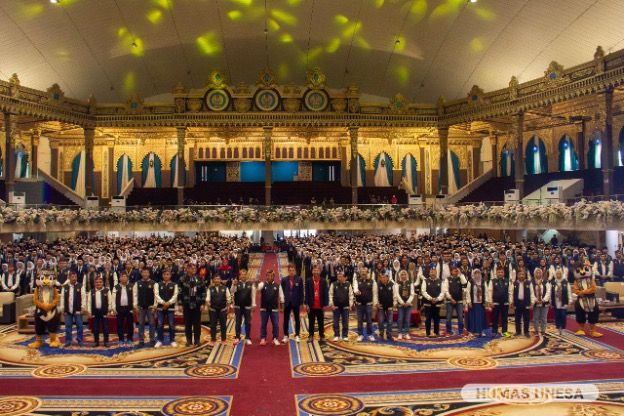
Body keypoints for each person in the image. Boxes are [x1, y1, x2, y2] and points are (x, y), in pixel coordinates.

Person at [179, 263, 207, 346]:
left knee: (197, 323)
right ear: (187, 269)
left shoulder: (200, 278)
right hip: (186, 303)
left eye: (194, 268)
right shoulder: (182, 279)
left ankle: (197, 340)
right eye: (191, 268)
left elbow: (203, 291)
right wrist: (180, 304)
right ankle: (189, 340)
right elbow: (180, 292)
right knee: (187, 323)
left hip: (197, 303)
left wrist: (202, 303)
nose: (193, 269)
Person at [573, 260, 603, 337]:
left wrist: (583, 291)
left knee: (593, 314)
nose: (582, 272)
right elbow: (576, 291)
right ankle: (581, 329)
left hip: (591, 299)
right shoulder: (576, 281)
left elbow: (593, 289)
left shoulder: (591, 280)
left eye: (585, 269)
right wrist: (582, 292)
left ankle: (593, 331)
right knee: (580, 314)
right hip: (581, 299)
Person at [60, 270, 85, 347]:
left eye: (75, 277)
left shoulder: (80, 286)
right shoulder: (65, 287)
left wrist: (83, 307)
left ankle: (80, 340)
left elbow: (83, 297)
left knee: (80, 326)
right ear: (69, 277)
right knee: (68, 326)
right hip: (68, 309)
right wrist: (62, 308)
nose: (74, 278)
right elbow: (62, 298)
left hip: (78, 309)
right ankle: (68, 341)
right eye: (72, 277)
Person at [231, 268, 256, 345]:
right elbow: (232, 291)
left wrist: (253, 304)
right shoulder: (236, 283)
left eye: (245, 274)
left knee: (248, 322)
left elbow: (253, 295)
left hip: (247, 306)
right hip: (238, 307)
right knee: (238, 322)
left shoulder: (251, 284)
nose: (243, 276)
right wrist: (234, 285)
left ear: (247, 275)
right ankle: (237, 337)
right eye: (242, 275)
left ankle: (248, 337)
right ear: (240, 276)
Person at [259, 270, 284, 346]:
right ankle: (263, 338)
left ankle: (275, 338)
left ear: (274, 277)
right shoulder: (262, 285)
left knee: (276, 324)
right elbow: (256, 288)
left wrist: (282, 307)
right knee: (263, 324)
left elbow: (281, 297)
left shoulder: (278, 286)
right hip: (264, 308)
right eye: (268, 276)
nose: (269, 277)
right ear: (266, 276)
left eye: (271, 276)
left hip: (274, 309)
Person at [154, 269, 178, 348]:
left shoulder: (174, 285)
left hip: (170, 307)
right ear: (162, 275)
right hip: (160, 307)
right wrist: (163, 302)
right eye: (164, 274)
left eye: (168, 274)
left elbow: (175, 295)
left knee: (171, 324)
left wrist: (168, 303)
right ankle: (159, 340)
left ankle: (172, 340)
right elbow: (156, 295)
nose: (166, 276)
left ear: (170, 275)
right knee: (160, 324)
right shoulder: (158, 284)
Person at [305, 264, 329, 342]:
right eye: (314, 270)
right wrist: (307, 304)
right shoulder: (308, 281)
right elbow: (306, 293)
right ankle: (310, 335)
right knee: (311, 321)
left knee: (321, 322)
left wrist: (325, 305)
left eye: (317, 270)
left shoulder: (323, 281)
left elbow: (326, 293)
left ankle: (322, 336)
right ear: (312, 271)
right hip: (311, 305)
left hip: (320, 305)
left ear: (320, 271)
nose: (316, 272)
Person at [353, 266, 377, 342]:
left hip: (369, 304)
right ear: (360, 273)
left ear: (367, 273)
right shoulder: (356, 280)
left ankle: (370, 334)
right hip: (359, 304)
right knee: (359, 320)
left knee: (369, 320)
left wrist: (375, 304)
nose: (363, 273)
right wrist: (356, 291)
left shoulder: (372, 281)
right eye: (362, 272)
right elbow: (355, 288)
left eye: (365, 272)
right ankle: (360, 334)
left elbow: (375, 294)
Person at [133, 267, 156, 347]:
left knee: (152, 324)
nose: (145, 274)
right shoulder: (137, 283)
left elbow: (155, 296)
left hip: (150, 307)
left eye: (147, 272)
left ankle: (152, 340)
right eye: (144, 272)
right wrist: (135, 305)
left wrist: (154, 306)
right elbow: (135, 295)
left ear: (149, 274)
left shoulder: (153, 283)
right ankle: (141, 341)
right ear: (141, 273)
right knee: (141, 324)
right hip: (141, 307)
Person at [281, 263, 304, 343]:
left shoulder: (299, 279)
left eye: (293, 270)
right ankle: (286, 335)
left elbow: (301, 292)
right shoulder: (284, 280)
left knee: (297, 319)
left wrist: (301, 303)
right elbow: (282, 292)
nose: (291, 272)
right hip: (287, 302)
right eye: (290, 270)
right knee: (286, 319)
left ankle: (297, 335)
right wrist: (282, 302)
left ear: (295, 271)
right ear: (288, 271)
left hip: (296, 302)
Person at [328, 270, 353, 342]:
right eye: (338, 276)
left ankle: (345, 336)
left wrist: (350, 304)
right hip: (336, 307)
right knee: (335, 322)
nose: (340, 277)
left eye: (341, 276)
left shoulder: (348, 284)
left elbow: (351, 295)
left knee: (345, 322)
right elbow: (330, 294)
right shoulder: (333, 284)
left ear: (344, 277)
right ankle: (336, 335)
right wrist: (331, 304)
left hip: (345, 307)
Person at [207, 274, 231, 346]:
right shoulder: (210, 289)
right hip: (213, 310)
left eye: (218, 279)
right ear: (213, 280)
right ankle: (213, 339)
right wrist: (208, 303)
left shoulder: (225, 288)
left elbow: (228, 298)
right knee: (213, 325)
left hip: (222, 310)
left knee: (223, 325)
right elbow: (208, 298)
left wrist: (228, 307)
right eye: (215, 279)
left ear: (220, 280)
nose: (217, 280)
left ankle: (223, 339)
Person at [87, 276, 111, 347]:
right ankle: (96, 341)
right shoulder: (91, 291)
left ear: (103, 283)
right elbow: (89, 302)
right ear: (94, 283)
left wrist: (109, 310)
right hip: (95, 312)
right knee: (95, 328)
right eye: (97, 282)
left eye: (100, 282)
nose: (98, 283)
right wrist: (89, 312)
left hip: (104, 312)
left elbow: (110, 302)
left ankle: (106, 341)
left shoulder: (107, 290)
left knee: (105, 328)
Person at [421, 267, 445, 337]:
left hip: (437, 303)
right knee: (428, 319)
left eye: (434, 271)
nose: (433, 273)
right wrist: (431, 298)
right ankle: (428, 333)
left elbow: (442, 292)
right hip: (428, 303)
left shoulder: (440, 281)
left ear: (436, 273)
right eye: (431, 272)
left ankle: (436, 332)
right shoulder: (425, 281)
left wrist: (437, 299)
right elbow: (423, 291)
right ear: (429, 273)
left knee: (436, 318)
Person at [112, 271, 134, 346]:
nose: (124, 278)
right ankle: (121, 339)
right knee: (119, 325)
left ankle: (129, 339)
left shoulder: (132, 286)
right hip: (119, 309)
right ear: (119, 278)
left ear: (127, 278)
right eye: (122, 276)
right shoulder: (116, 287)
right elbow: (113, 299)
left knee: (130, 324)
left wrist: (134, 307)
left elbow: (134, 297)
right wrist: (114, 308)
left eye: (125, 276)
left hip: (129, 308)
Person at [487, 267, 511, 338]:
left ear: (504, 273)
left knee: (505, 318)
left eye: (501, 272)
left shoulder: (507, 281)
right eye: (499, 272)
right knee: (495, 318)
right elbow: (490, 291)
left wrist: (510, 301)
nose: (500, 273)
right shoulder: (492, 281)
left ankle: (504, 331)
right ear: (496, 273)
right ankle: (494, 331)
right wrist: (490, 301)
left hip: (505, 302)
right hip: (495, 303)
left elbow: (510, 292)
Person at [510, 270, 534, 338]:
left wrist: (532, 303)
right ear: (517, 275)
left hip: (526, 303)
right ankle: (518, 331)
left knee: (526, 318)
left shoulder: (529, 283)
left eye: (523, 274)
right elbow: (511, 293)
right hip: (517, 303)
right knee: (517, 318)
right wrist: (511, 302)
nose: (521, 276)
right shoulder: (514, 283)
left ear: (525, 275)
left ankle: (526, 332)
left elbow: (532, 293)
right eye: (520, 274)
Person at [444, 265, 467, 335]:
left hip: (459, 300)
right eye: (455, 271)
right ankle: (448, 331)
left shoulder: (460, 278)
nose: (456, 272)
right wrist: (451, 298)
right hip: (449, 301)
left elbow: (465, 282)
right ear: (451, 272)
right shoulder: (447, 279)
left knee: (460, 317)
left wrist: (460, 274)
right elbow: (445, 290)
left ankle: (460, 331)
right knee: (448, 317)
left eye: (457, 271)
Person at [465, 269, 487, 337]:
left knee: (481, 317)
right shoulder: (470, 281)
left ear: (480, 274)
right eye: (475, 273)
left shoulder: (483, 281)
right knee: (472, 318)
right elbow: (467, 292)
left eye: (478, 273)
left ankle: (481, 331)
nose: (477, 275)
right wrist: (469, 302)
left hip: (481, 303)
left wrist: (486, 301)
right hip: (473, 303)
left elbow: (486, 292)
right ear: (473, 274)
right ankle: (471, 331)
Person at [375, 271, 396, 341]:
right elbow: (376, 295)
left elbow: (395, 295)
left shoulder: (392, 284)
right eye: (381, 277)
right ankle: (381, 334)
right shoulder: (378, 285)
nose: (383, 279)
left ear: (388, 277)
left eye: (384, 277)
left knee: (390, 321)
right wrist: (377, 303)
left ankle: (389, 334)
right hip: (381, 306)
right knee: (381, 321)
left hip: (390, 306)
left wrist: (394, 304)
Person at [552, 269, 572, 335]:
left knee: (563, 315)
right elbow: (551, 293)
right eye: (557, 273)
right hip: (556, 302)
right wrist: (550, 302)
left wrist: (570, 301)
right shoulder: (553, 283)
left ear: (561, 274)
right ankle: (558, 329)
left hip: (564, 302)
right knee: (557, 316)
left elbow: (569, 292)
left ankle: (563, 329)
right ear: (555, 275)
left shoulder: (566, 282)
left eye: (559, 273)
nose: (558, 275)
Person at [395, 270, 414, 339]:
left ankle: (406, 333)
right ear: (400, 276)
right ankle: (400, 333)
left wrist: (408, 302)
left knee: (407, 319)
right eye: (402, 275)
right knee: (400, 319)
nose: (403, 276)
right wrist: (402, 302)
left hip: (408, 304)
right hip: (401, 305)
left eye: (405, 274)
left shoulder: (410, 283)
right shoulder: (397, 283)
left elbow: (412, 294)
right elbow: (397, 294)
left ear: (407, 275)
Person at [532, 268, 550, 336]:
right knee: (535, 317)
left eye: (539, 272)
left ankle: (543, 331)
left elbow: (548, 292)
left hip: (544, 303)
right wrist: (535, 300)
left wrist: (543, 300)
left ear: (542, 274)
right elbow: (531, 292)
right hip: (536, 302)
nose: (538, 274)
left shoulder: (546, 282)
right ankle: (536, 331)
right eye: (537, 272)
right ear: (534, 274)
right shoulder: (532, 282)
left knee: (544, 318)